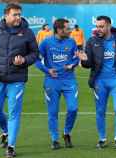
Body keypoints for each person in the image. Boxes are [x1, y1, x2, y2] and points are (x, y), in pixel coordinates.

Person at [0, 3, 38, 158]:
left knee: (14, 113)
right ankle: (5, 130)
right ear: (6, 15)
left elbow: (34, 54)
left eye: (19, 14)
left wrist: (24, 60)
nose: (18, 17)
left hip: (17, 80)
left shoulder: (28, 33)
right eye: (15, 14)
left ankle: (11, 146)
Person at [77, 15, 116, 150]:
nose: (98, 29)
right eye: (97, 26)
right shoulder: (92, 41)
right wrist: (84, 60)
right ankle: (102, 138)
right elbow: (89, 63)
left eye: (101, 26)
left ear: (108, 26)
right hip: (99, 82)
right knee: (100, 111)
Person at [35, 18, 79, 150]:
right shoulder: (46, 43)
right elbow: (36, 60)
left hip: (69, 81)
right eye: (67, 28)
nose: (70, 30)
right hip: (52, 82)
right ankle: (55, 139)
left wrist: (73, 64)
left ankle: (66, 133)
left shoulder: (71, 42)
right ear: (59, 30)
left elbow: (77, 58)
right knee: (53, 112)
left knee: (73, 108)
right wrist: (47, 70)